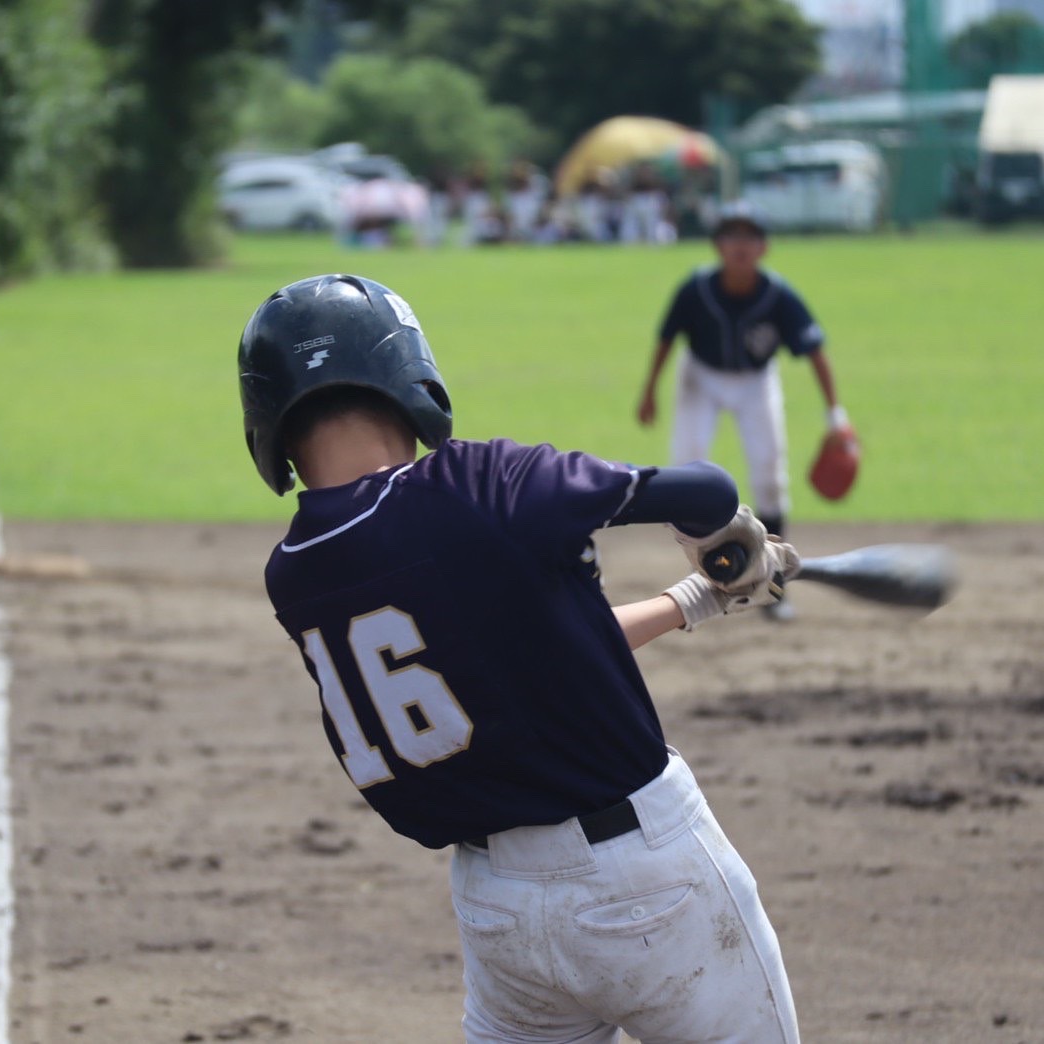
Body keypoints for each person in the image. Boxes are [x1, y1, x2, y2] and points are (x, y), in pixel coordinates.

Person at [238, 273, 802, 1042]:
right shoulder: (475, 484)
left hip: (500, 913)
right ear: (405, 375)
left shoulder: (296, 571)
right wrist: (727, 538)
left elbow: (515, 657)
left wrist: (691, 599)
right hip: (648, 884)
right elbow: (700, 487)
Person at [636, 200, 851, 622]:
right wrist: (650, 391)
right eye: (731, 235)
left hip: (756, 381)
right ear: (717, 245)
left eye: (750, 236)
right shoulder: (695, 289)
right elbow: (666, 338)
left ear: (764, 246)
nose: (740, 244)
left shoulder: (779, 295)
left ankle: (774, 585)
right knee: (686, 468)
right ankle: (700, 578)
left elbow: (815, 353)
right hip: (699, 377)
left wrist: (835, 415)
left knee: (770, 474)